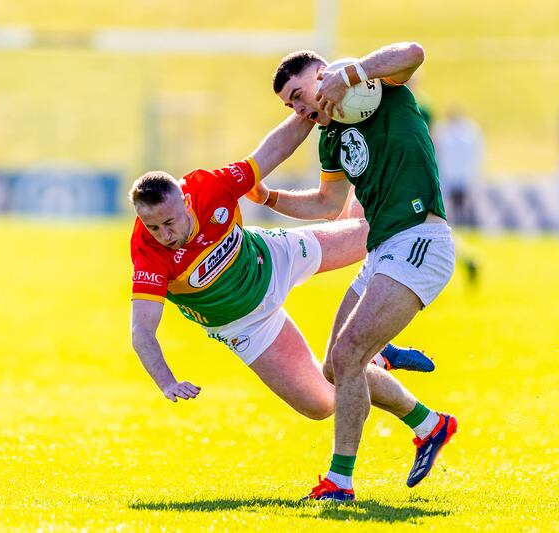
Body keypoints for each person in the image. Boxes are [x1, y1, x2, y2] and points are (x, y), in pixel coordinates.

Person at [129, 114, 437, 450]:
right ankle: (385, 369)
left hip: (274, 256)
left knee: (370, 234)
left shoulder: (210, 186)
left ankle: (374, 147)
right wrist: (166, 382)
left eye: (169, 223)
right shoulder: (148, 254)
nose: (164, 235)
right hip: (244, 324)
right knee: (322, 404)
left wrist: (309, 112)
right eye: (153, 227)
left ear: (186, 201)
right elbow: (142, 331)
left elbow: (273, 149)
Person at [249, 42, 458, 501]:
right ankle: (430, 424)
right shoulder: (330, 138)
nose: (301, 108)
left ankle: (339, 483)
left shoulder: (378, 87)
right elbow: (329, 206)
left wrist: (353, 73)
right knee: (334, 367)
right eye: (291, 105)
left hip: (421, 241)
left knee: (348, 357)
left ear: (323, 74)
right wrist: (269, 198)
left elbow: (415, 51)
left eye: (301, 94)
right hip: (383, 251)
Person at [433, 107, 484, 227]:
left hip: (459, 174)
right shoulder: (450, 131)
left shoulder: (464, 131)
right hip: (455, 174)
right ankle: (461, 223)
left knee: (462, 202)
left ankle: (466, 223)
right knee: (457, 202)